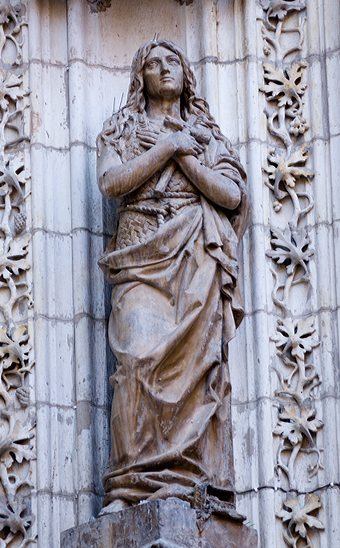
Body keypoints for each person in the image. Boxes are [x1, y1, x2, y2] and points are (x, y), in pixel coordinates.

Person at [96, 38, 249, 515]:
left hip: (195, 255)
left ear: (187, 75)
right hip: (141, 250)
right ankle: (129, 484)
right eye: (153, 63)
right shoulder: (121, 128)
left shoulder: (208, 135)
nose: (164, 68)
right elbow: (111, 181)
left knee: (198, 368)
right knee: (137, 357)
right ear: (139, 78)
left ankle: (187, 480)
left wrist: (185, 154)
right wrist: (166, 145)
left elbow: (231, 195)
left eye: (173, 61)